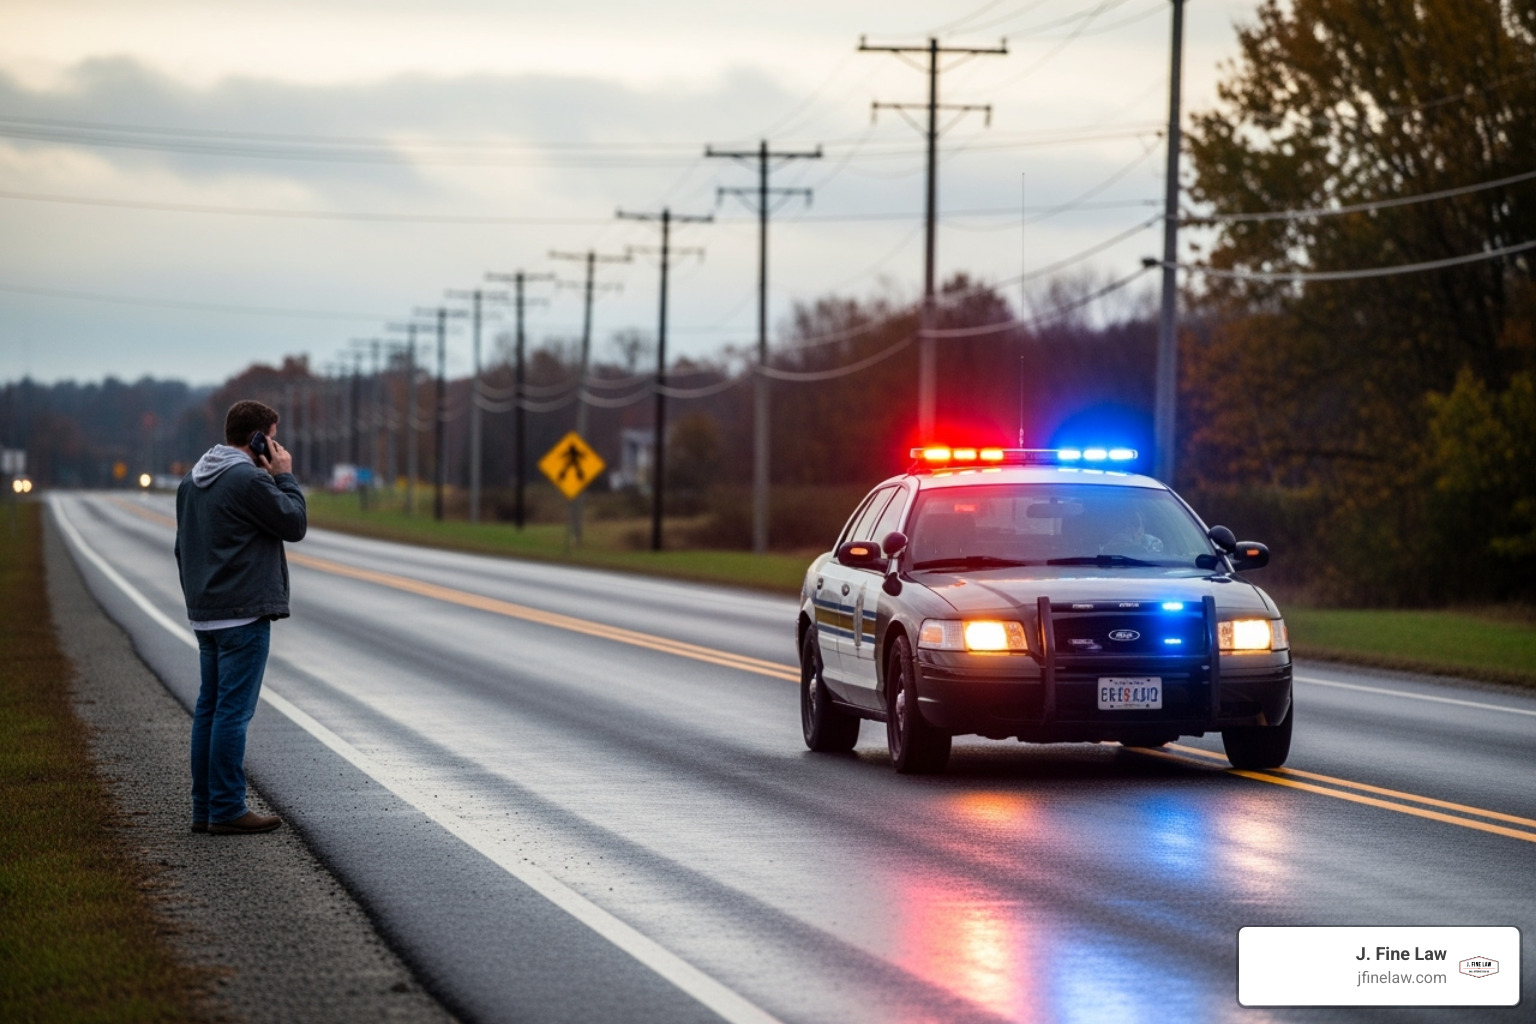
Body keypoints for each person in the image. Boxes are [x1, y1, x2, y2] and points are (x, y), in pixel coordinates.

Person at [175, 400, 306, 835]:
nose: (276, 444)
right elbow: (294, 522)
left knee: (210, 711)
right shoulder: (247, 478)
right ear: (258, 438)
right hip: (243, 614)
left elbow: (183, 548)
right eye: (273, 435)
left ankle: (204, 809)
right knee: (232, 713)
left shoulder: (192, 481)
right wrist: (283, 474)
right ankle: (228, 808)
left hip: (207, 613)